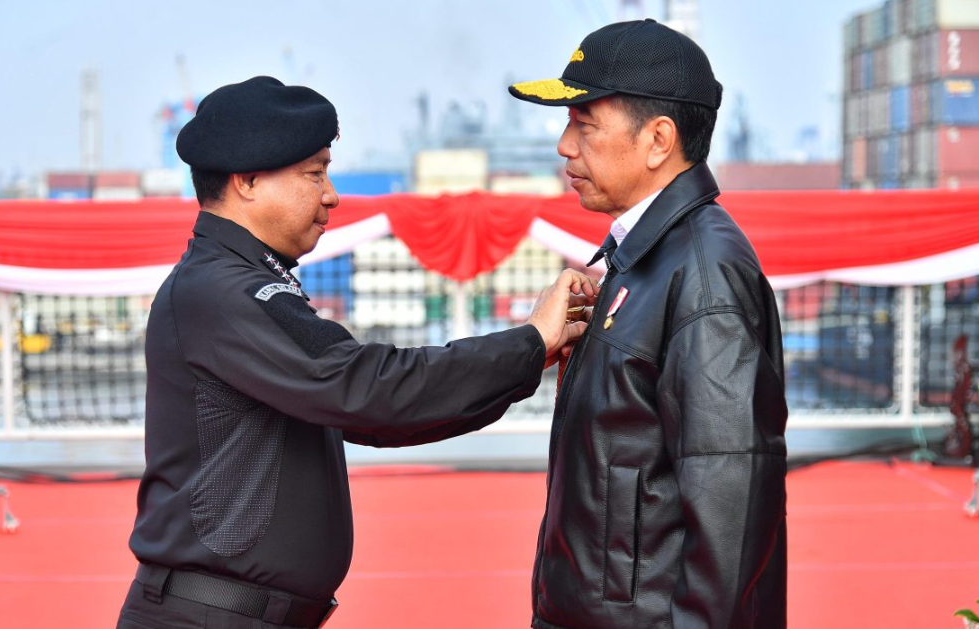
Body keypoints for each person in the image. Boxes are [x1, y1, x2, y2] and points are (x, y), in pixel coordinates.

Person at [116, 76, 598, 629]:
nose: (331, 194)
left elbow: (373, 403)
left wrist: (524, 356)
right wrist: (531, 341)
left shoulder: (237, 283)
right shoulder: (226, 291)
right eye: (313, 173)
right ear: (247, 182)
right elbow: (367, 389)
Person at [508, 20, 788, 629]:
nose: (563, 145)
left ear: (658, 139)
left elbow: (730, 495)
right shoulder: (641, 255)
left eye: (584, 125)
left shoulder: (704, 272)